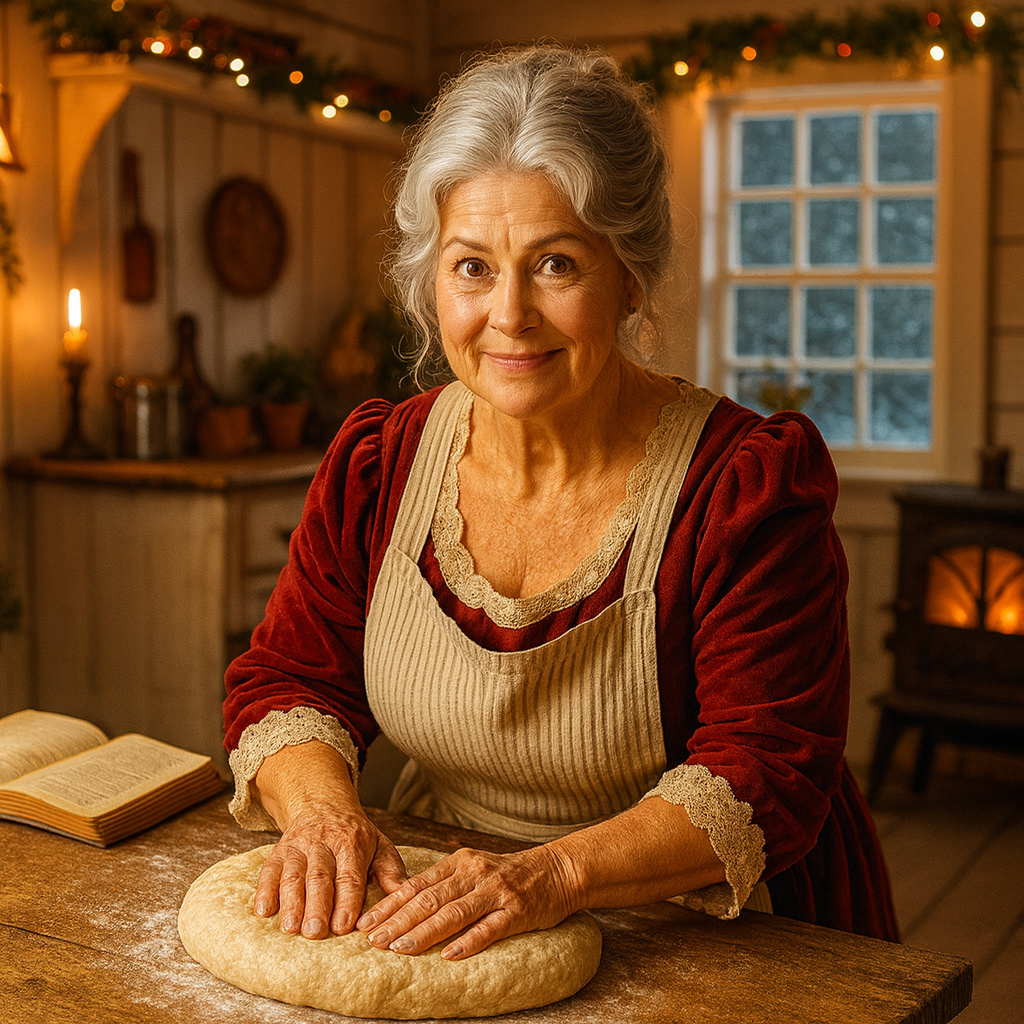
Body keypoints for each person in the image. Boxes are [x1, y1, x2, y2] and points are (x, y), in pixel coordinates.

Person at [222, 45, 900, 961]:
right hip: (455, 908)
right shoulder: (380, 466)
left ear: (629, 276)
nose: (508, 314)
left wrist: (550, 874)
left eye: (555, 265)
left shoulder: (741, 486)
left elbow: (766, 769)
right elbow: (290, 682)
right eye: (471, 266)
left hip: (719, 925)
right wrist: (322, 819)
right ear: (432, 279)